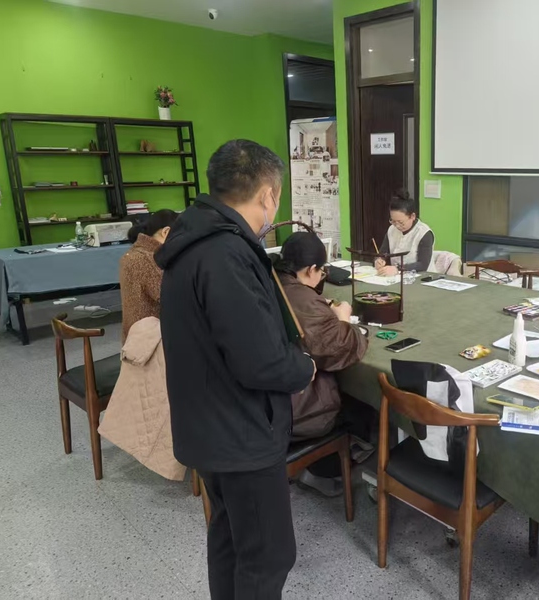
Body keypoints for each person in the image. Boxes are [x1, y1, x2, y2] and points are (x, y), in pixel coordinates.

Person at [154, 140, 316, 600]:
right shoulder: (225, 253)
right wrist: (303, 367)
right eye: (276, 198)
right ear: (267, 195)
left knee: (230, 537)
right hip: (240, 434)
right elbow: (261, 360)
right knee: (268, 556)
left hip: (208, 424)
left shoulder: (194, 238)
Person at [275, 231, 369, 495]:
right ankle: (325, 471)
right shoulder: (303, 299)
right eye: (321, 271)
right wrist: (342, 317)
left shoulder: (273, 282)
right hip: (299, 406)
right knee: (360, 396)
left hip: (267, 396)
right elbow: (340, 348)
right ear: (311, 269)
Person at [119, 209, 178, 341]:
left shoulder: (137, 253)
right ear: (166, 232)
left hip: (140, 338)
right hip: (151, 341)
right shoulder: (146, 259)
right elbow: (172, 297)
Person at [375, 190, 436, 275]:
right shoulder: (392, 229)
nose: (397, 226)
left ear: (412, 216)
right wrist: (379, 260)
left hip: (423, 277)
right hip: (396, 277)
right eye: (393, 221)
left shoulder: (424, 233)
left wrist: (397, 269)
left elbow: (423, 265)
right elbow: (383, 253)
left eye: (401, 222)